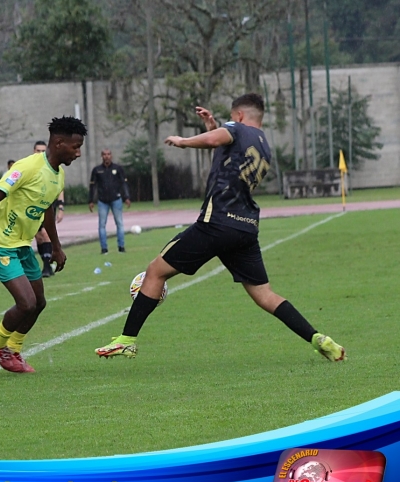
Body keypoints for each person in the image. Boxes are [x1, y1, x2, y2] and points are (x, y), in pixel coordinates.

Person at [94, 94, 347, 363]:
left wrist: (183, 141)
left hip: (217, 223)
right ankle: (318, 339)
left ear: (239, 115)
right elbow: (225, 156)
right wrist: (212, 128)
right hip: (245, 227)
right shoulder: (264, 145)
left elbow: (217, 140)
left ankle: (127, 340)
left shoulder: (237, 128)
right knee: (265, 295)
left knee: (155, 271)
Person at [0, 116, 87, 373]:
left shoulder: (58, 175)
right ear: (58, 143)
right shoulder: (27, 167)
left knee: (39, 303)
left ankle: (14, 348)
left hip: (21, 244)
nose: (78, 153)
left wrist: (56, 246)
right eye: (75, 147)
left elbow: (47, 209)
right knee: (26, 303)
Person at [32, 140, 66, 277]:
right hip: (33, 207)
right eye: (38, 151)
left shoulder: (51, 167)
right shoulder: (29, 167)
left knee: (45, 234)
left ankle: (47, 267)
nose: (40, 153)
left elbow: (60, 187)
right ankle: (46, 263)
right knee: (39, 237)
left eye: (43, 151)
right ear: (33, 151)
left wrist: (61, 207)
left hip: (47, 207)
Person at [88, 149, 131, 254]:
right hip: (102, 201)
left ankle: (121, 247)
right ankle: (104, 249)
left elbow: (123, 183)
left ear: (111, 156)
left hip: (116, 199)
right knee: (102, 225)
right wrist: (91, 200)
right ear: (101, 156)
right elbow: (93, 186)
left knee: (119, 223)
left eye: (108, 154)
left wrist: (126, 197)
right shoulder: (97, 170)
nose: (106, 156)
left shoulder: (118, 168)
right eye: (104, 154)